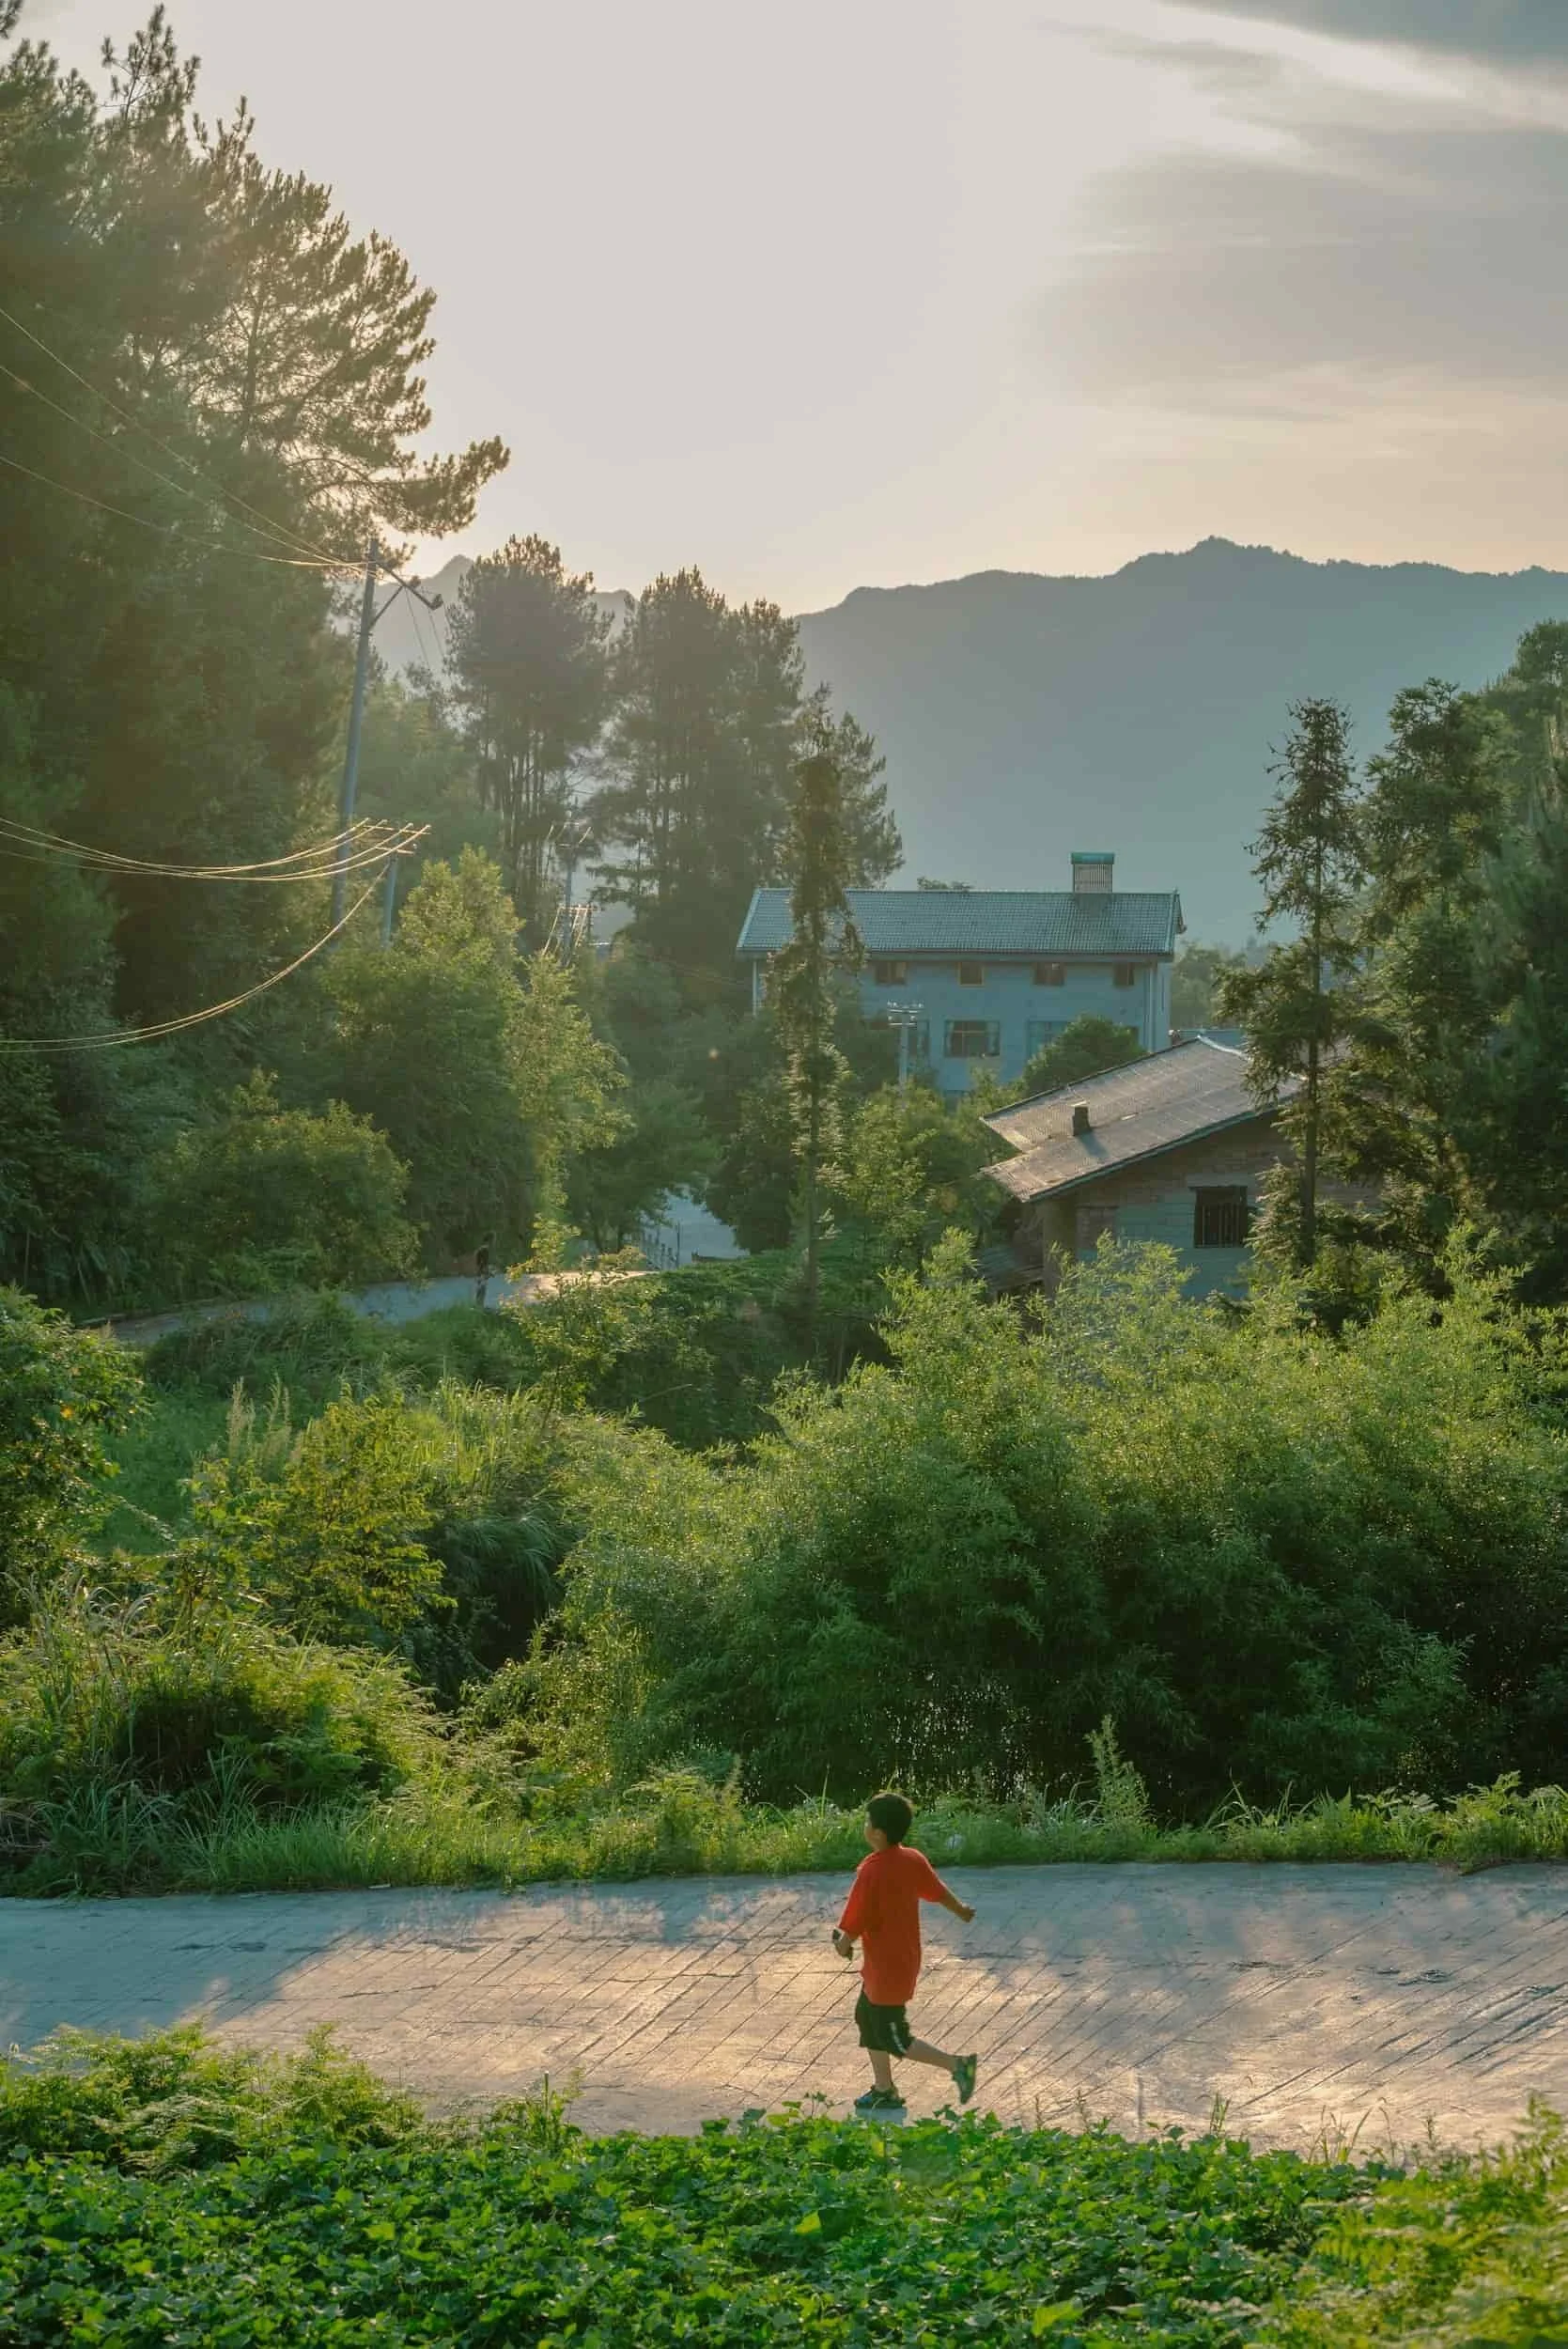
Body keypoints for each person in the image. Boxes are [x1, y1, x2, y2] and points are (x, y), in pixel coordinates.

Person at [832, 1789, 978, 2115]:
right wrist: (962, 1910)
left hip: (887, 1968)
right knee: (867, 2017)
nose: (865, 1825)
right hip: (898, 1961)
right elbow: (937, 1891)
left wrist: (843, 1944)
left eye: (867, 1821)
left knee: (894, 2037)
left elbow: (856, 1920)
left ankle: (959, 2066)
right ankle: (884, 2089)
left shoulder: (871, 1872)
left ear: (877, 1833)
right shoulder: (912, 1859)